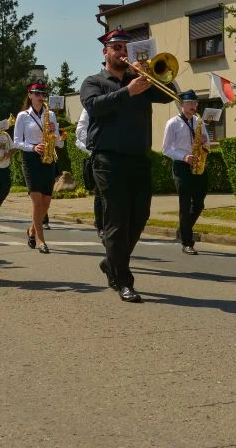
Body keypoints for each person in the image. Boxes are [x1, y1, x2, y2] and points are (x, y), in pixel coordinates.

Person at [80, 29, 175, 302]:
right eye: (116, 48)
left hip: (138, 158)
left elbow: (170, 94)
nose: (121, 53)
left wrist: (153, 74)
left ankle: (112, 262)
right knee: (116, 221)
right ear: (105, 52)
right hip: (108, 160)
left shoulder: (141, 81)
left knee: (140, 216)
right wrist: (127, 91)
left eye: (125, 49)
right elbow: (94, 107)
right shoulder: (94, 81)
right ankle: (124, 280)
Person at [14, 81, 64, 255]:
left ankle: (32, 230)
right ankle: (41, 240)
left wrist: (54, 131)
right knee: (36, 201)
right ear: (29, 95)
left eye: (42, 94)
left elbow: (60, 142)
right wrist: (33, 147)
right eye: (36, 94)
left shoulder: (51, 115)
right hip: (31, 159)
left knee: (46, 203)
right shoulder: (23, 116)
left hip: (48, 157)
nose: (40, 97)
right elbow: (17, 142)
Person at [161, 90, 210, 255]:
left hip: (197, 164)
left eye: (195, 103)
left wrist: (204, 142)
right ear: (182, 105)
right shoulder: (173, 123)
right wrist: (184, 156)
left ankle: (183, 229)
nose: (193, 106)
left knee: (199, 203)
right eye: (190, 103)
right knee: (185, 203)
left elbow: (207, 145)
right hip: (181, 166)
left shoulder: (199, 122)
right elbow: (166, 149)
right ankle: (187, 242)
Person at [75, 108, 103, 240]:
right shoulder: (90, 108)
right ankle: (101, 226)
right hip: (98, 155)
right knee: (100, 193)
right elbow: (80, 133)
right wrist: (96, 147)